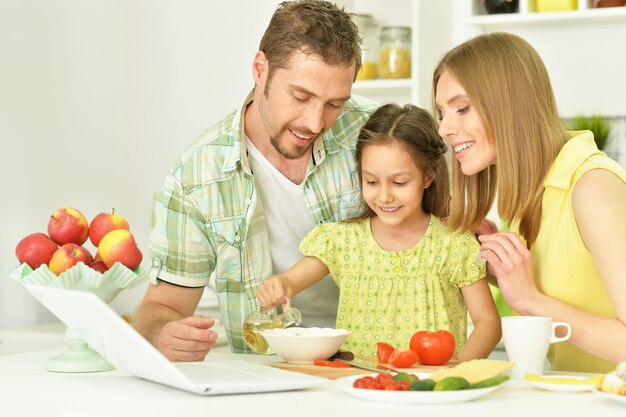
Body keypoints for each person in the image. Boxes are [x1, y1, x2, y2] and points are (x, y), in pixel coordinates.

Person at [132, 0, 378, 360]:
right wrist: (163, 334)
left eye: (334, 104)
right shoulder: (197, 176)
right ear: (260, 69)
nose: (314, 122)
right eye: (301, 96)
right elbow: (161, 306)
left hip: (373, 360)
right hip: (265, 368)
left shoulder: (377, 133)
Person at [433, 31, 626, 373]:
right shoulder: (529, 198)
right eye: (441, 114)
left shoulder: (592, 187)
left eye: (462, 108)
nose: (445, 129)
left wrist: (528, 299)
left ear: (509, 103)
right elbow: (569, 289)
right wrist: (498, 269)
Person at [256, 103, 502, 359]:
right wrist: (280, 284)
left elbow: (488, 323)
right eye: (371, 181)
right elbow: (290, 282)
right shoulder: (343, 241)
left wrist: (457, 370)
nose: (384, 196)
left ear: (428, 177)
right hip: (357, 387)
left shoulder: (453, 244)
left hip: (427, 391)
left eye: (399, 182)